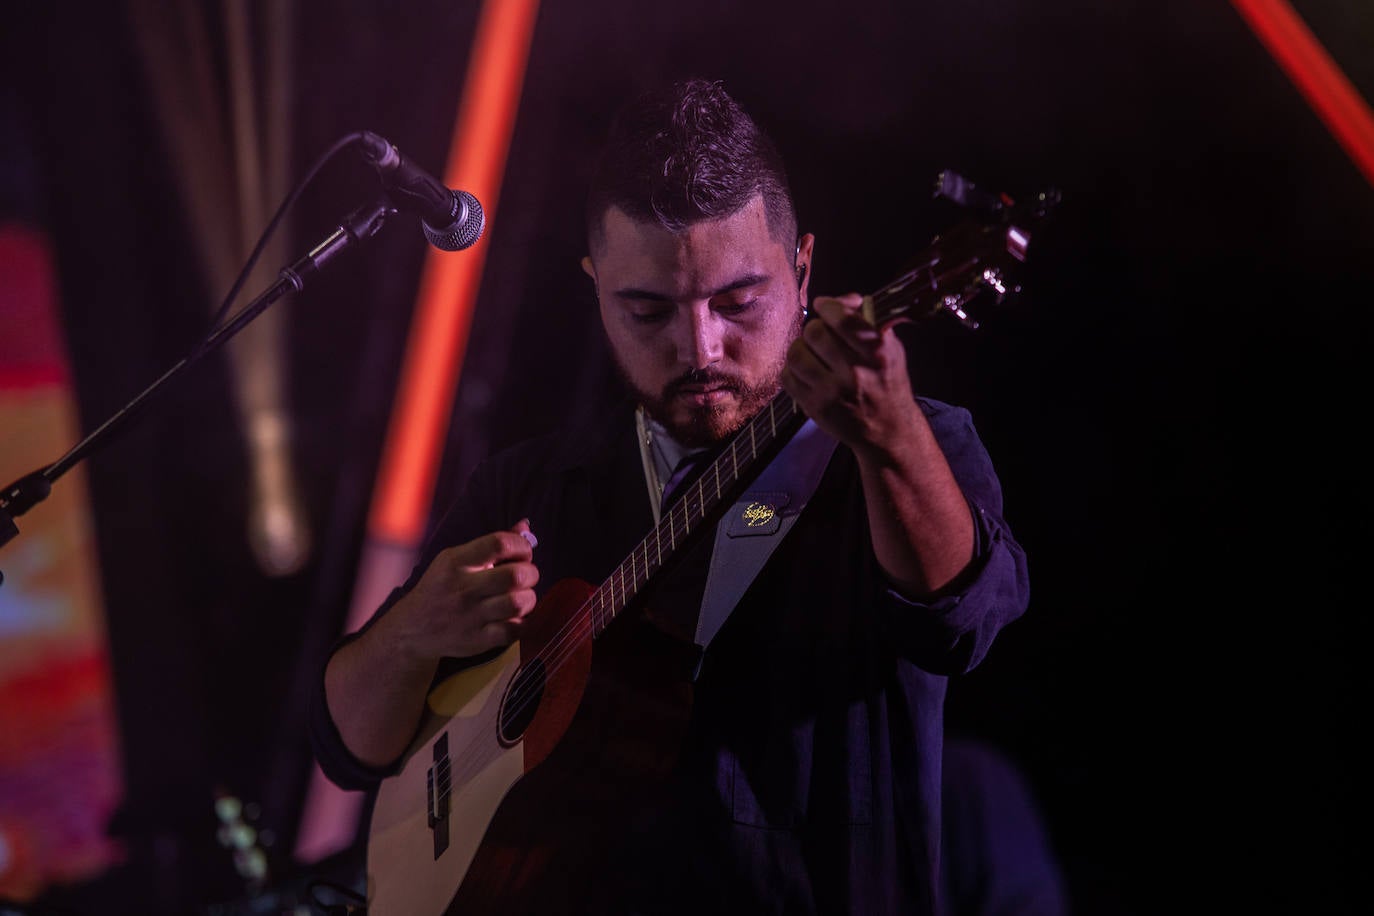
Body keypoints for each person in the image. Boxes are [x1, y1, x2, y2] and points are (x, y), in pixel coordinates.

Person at [308, 78, 1032, 915]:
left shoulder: (906, 444)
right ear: (595, 288)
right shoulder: (530, 485)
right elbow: (349, 752)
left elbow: (962, 623)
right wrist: (408, 637)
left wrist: (893, 436)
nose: (700, 346)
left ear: (802, 269)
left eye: (738, 301)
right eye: (648, 310)